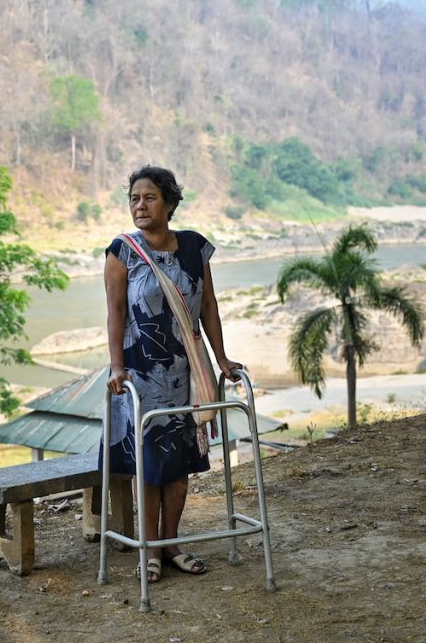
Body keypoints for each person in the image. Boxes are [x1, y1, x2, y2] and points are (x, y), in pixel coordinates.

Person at [103, 165, 242, 584]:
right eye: (134, 199)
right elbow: (114, 312)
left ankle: (171, 545)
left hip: (189, 374)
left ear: (169, 203)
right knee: (149, 466)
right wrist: (116, 367)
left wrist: (222, 359)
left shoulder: (196, 248)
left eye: (149, 198)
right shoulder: (121, 251)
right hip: (140, 376)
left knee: (179, 464)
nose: (139, 206)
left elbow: (209, 308)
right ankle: (149, 549)